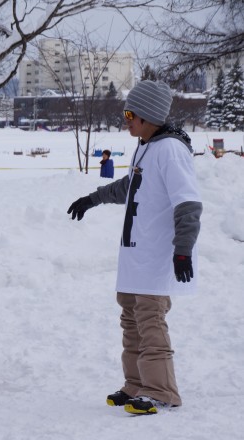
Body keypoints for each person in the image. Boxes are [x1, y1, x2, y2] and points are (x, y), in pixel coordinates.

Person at [67, 80, 202, 415]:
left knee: (150, 321)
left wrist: (182, 250)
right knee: (130, 320)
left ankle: (162, 391)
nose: (125, 119)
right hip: (134, 255)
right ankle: (137, 384)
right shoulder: (147, 146)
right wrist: (93, 198)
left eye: (131, 113)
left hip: (157, 255)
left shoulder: (170, 150)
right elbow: (131, 186)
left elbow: (188, 204)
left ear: (149, 116)